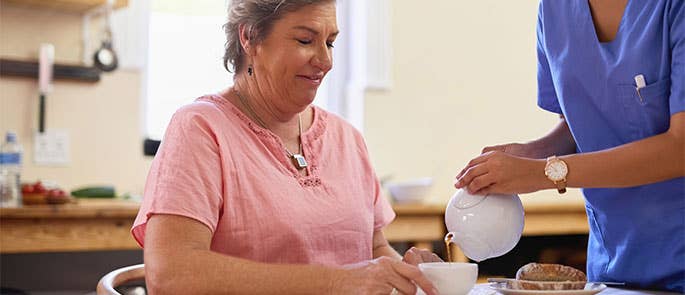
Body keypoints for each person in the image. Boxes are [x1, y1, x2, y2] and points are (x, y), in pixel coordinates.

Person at [132, 0, 442, 294]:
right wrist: (335, 284)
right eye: (306, 41)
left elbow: (373, 250)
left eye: (330, 42)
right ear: (250, 37)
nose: (326, 61)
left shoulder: (346, 138)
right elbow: (171, 276)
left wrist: (409, 274)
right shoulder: (201, 128)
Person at [454, 0, 684, 292]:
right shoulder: (554, 9)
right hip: (612, 267)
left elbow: (680, 149)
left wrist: (543, 173)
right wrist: (530, 154)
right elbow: (583, 125)